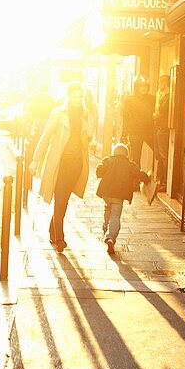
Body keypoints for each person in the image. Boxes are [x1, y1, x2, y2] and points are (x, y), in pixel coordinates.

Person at [29, 82, 93, 252]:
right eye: (75, 96)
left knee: (63, 200)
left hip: (77, 164)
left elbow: (86, 138)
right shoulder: (58, 114)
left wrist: (89, 136)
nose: (78, 99)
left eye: (81, 96)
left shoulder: (85, 115)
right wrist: (35, 160)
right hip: (60, 164)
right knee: (60, 199)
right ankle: (59, 238)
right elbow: (45, 137)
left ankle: (52, 231)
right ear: (69, 97)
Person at [96, 142, 151, 254]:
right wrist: (147, 179)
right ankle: (111, 237)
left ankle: (106, 226)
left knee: (108, 207)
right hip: (119, 194)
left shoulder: (108, 160)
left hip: (106, 193)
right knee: (115, 216)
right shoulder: (129, 165)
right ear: (126, 154)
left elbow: (99, 170)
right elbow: (139, 174)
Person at [122, 76, 155, 168]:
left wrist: (152, 131)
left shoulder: (152, 99)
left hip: (148, 132)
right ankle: (135, 180)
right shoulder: (130, 99)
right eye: (141, 86)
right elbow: (126, 117)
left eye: (145, 86)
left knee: (158, 153)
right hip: (134, 132)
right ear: (137, 87)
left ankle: (156, 174)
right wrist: (124, 133)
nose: (144, 88)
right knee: (135, 158)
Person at [153, 74, 170, 191]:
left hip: (164, 130)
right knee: (160, 156)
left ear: (164, 83)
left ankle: (164, 182)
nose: (159, 85)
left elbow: (163, 111)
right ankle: (160, 180)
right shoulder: (163, 96)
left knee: (164, 156)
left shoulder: (168, 97)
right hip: (160, 129)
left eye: (160, 83)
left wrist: (157, 115)